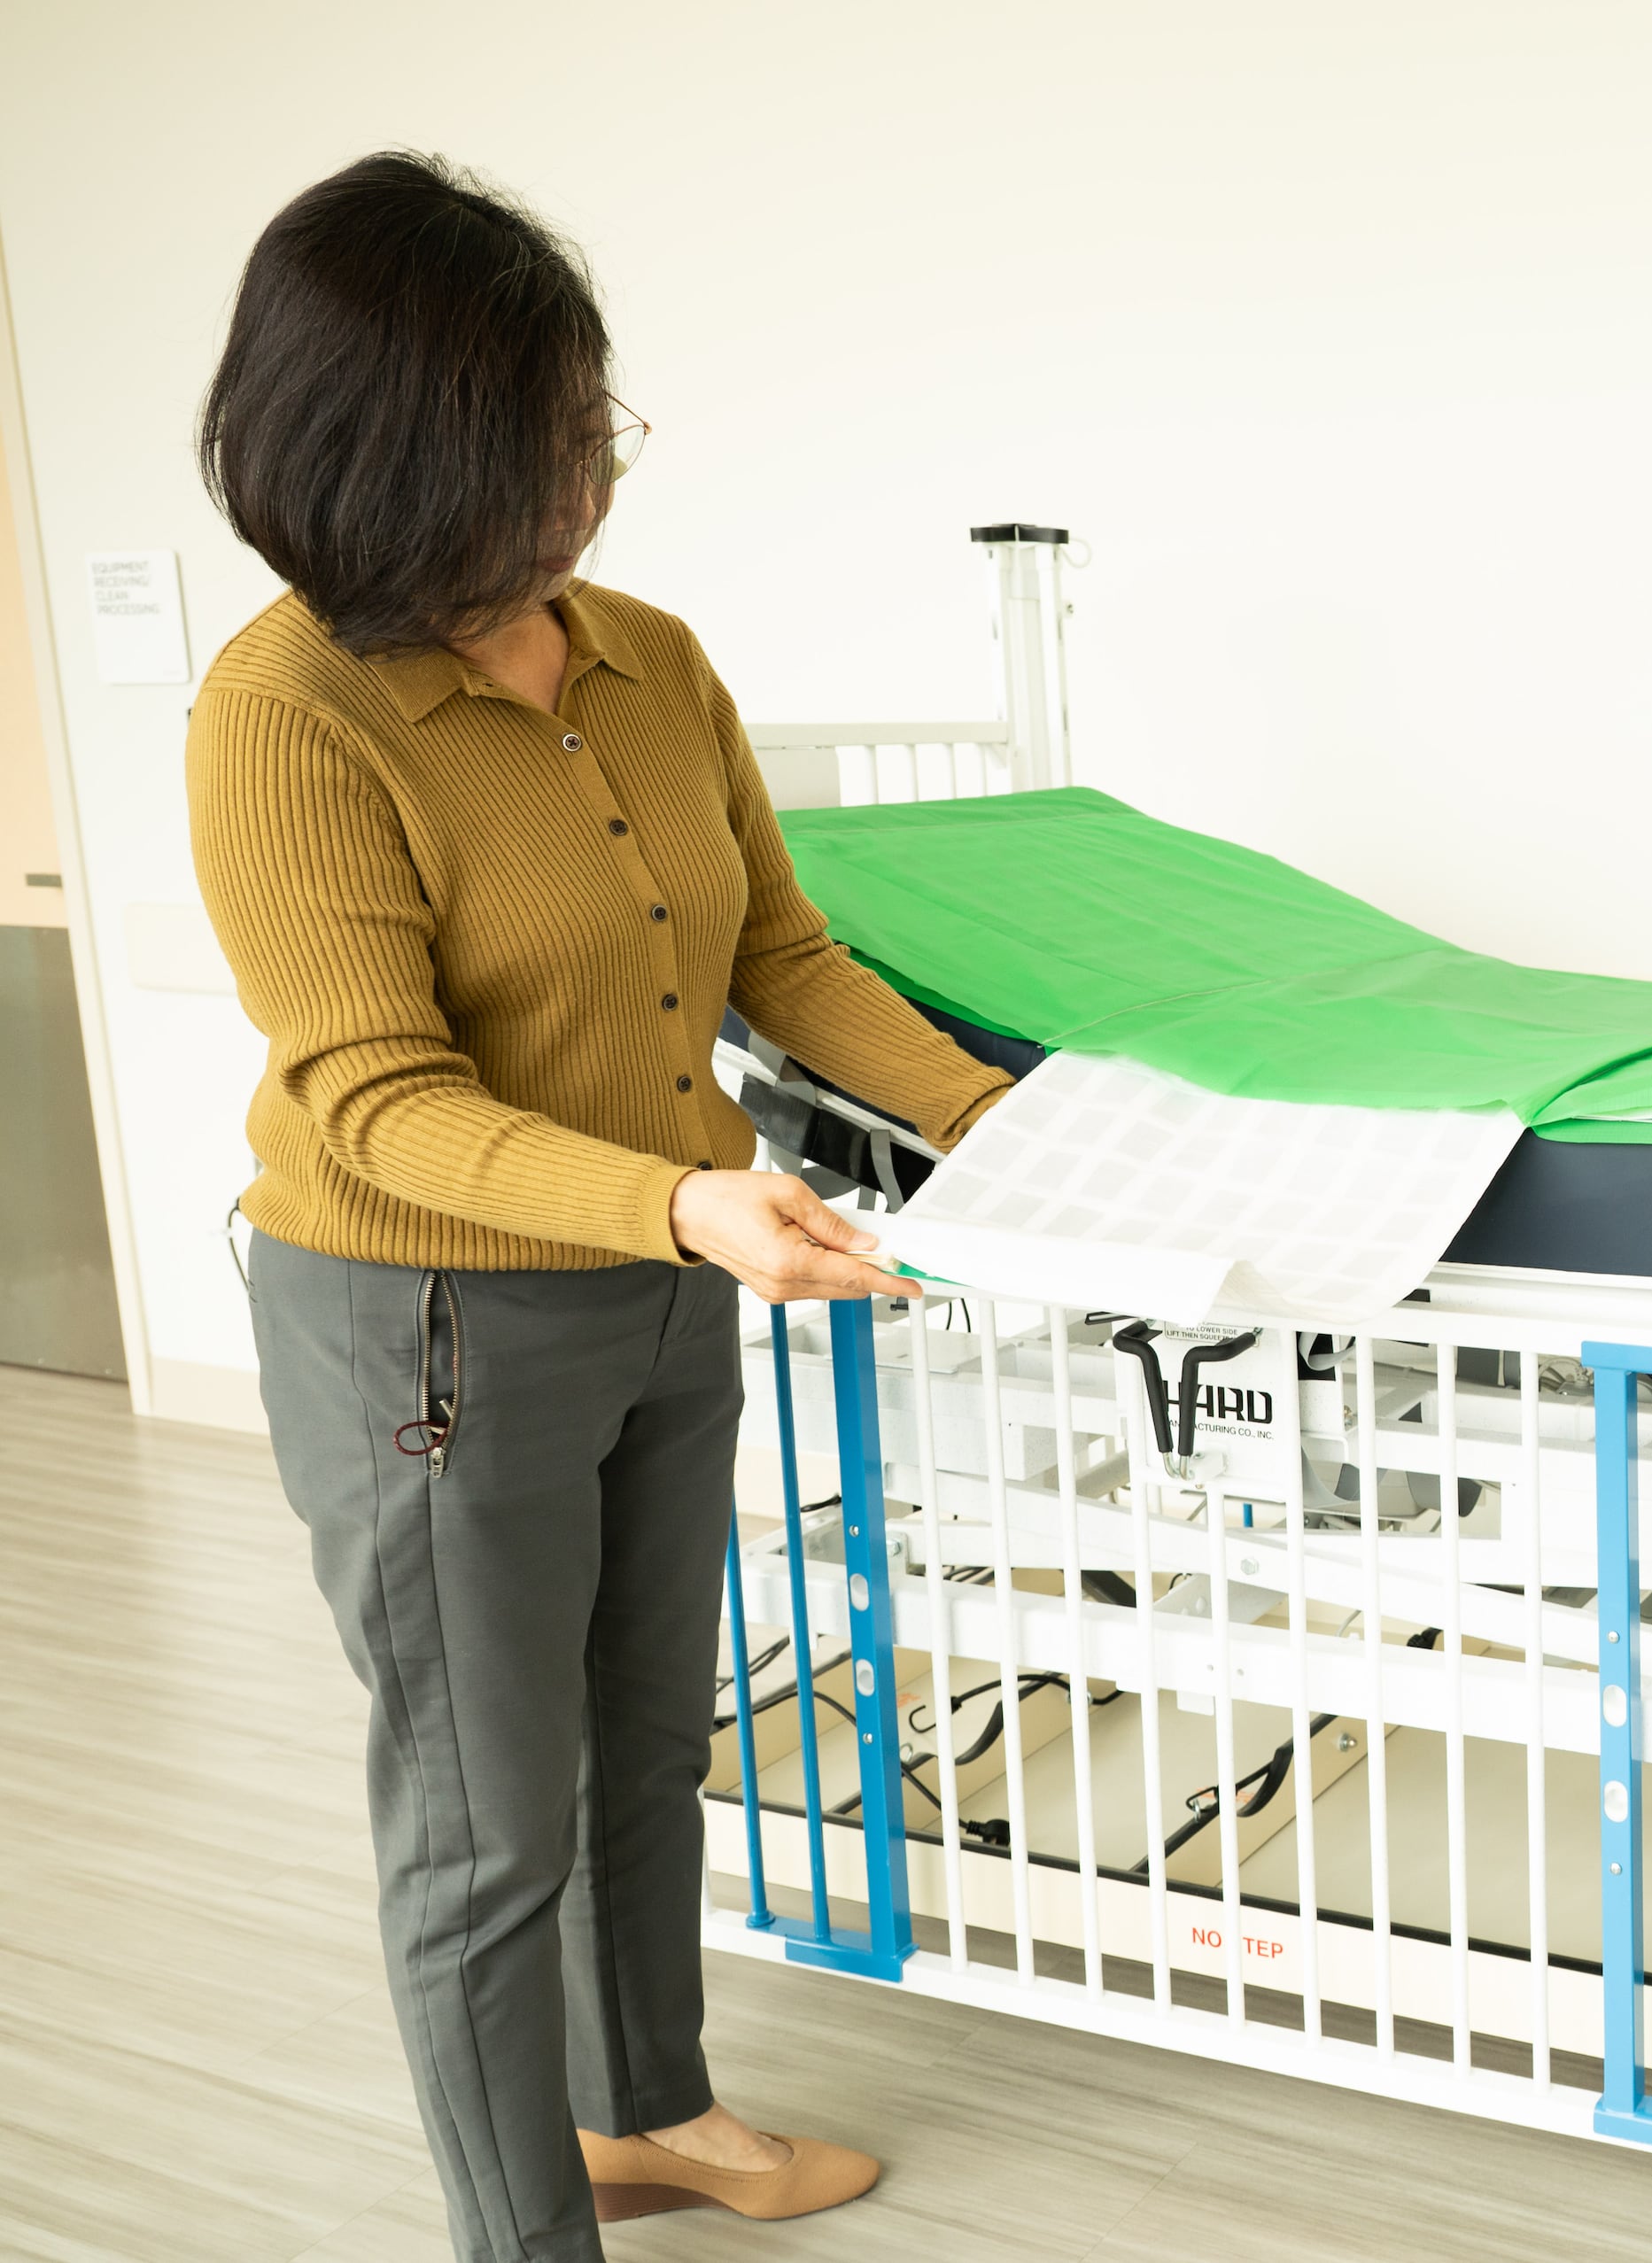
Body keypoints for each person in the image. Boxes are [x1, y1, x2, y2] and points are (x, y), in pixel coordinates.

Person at [186, 152, 1016, 2261]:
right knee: (484, 1825)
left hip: (663, 1285)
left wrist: (993, 1120)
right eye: (548, 446)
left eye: (594, 427)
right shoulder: (285, 718)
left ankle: (643, 2115)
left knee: (646, 1743)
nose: (593, 481)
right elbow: (372, 1095)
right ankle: (518, 2231)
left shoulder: (649, 656)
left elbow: (787, 954)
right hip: (433, 1332)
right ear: (393, 460)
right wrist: (685, 1202)